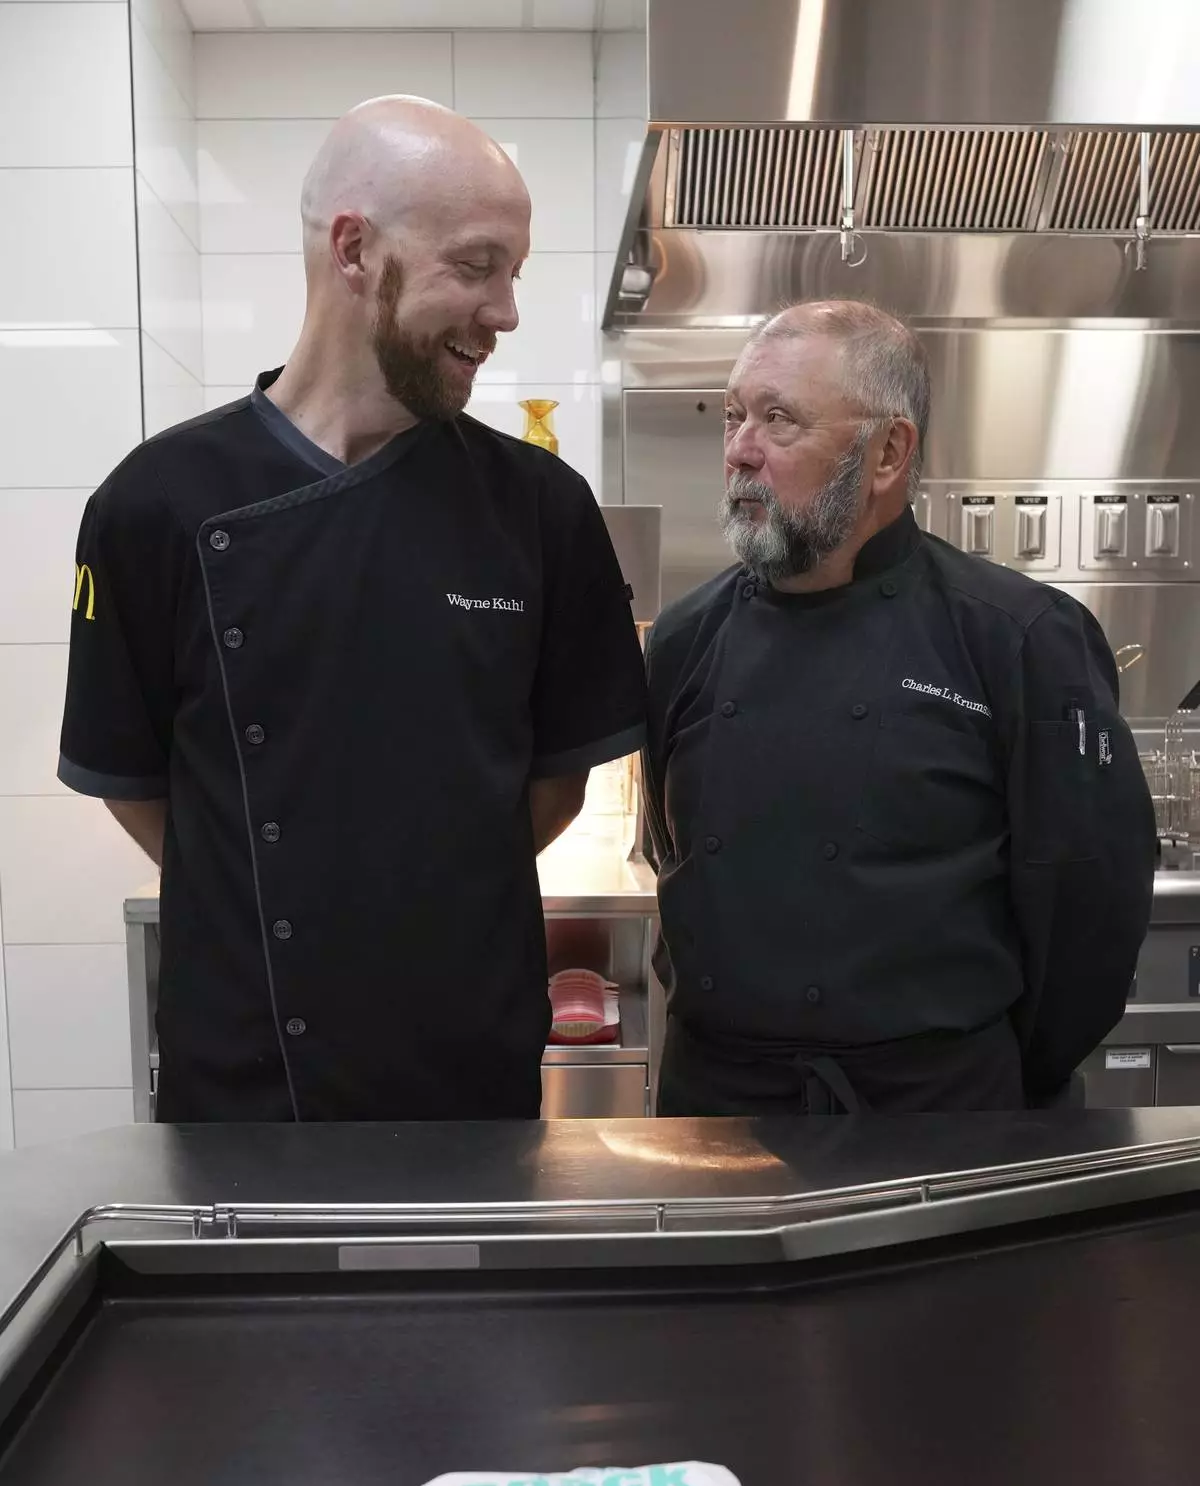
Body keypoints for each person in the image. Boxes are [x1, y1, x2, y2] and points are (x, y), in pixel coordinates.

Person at [59, 96, 646, 1124]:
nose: (506, 312)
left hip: (472, 1074)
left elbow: (554, 789)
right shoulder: (155, 503)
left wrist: (415, 902)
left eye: (514, 272)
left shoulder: (541, 509)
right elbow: (143, 791)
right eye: (477, 266)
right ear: (353, 250)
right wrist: (289, 894)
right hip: (245, 1082)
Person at [643, 300, 1156, 1116]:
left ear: (887, 452)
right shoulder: (683, 638)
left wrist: (979, 1078)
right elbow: (669, 856)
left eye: (780, 419)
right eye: (734, 416)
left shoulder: (1020, 639)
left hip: (938, 1119)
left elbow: (1090, 911)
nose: (740, 449)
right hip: (718, 1113)